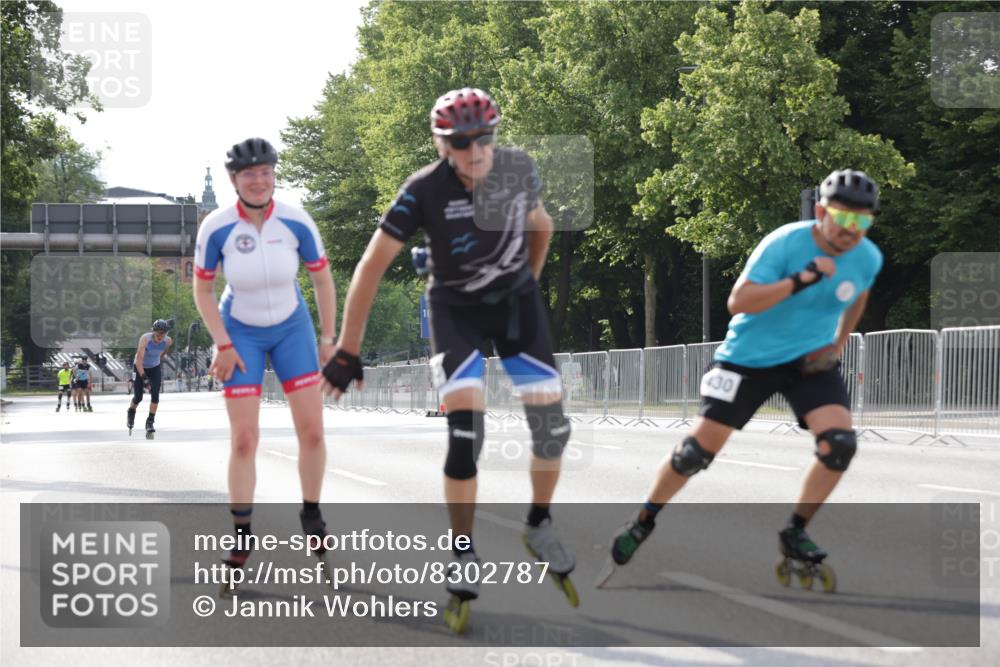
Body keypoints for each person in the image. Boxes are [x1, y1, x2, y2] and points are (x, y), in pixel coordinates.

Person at [321, 88, 577, 628]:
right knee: (465, 433)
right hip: (456, 311)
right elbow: (371, 266)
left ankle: (538, 523)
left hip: (515, 306)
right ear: (442, 145)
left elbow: (543, 226)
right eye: (461, 142)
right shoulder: (422, 189)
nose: (476, 150)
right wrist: (348, 347)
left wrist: (528, 285)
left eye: (485, 137)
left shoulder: (517, 169)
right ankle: (463, 550)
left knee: (553, 428)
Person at [602, 169, 883, 589]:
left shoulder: (867, 257)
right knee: (695, 454)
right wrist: (803, 278)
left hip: (809, 360)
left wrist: (837, 345)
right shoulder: (785, 243)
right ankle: (644, 520)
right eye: (843, 218)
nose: (851, 230)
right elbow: (739, 301)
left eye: (861, 221)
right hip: (748, 359)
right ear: (822, 212)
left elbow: (858, 296)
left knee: (839, 444)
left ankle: (794, 531)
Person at [192, 137, 337, 585]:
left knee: (312, 431)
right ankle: (241, 537)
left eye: (266, 172)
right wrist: (222, 343)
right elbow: (203, 289)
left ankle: (311, 512)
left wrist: (328, 338)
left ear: (274, 175)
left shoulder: (296, 220)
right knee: (244, 439)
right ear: (234, 180)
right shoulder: (216, 226)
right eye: (249, 174)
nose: (259, 181)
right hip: (241, 332)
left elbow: (322, 280)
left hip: (292, 328)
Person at [127, 320, 173, 436]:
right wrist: (144, 378)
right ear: (153, 332)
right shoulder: (145, 339)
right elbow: (139, 361)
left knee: (155, 395)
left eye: (163, 334)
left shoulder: (168, 341)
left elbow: (163, 352)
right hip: (140, 367)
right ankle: (131, 411)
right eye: (158, 334)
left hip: (154, 367)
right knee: (138, 397)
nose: (160, 337)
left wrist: (155, 359)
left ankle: (150, 422)